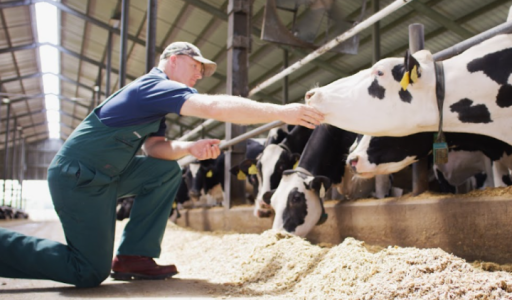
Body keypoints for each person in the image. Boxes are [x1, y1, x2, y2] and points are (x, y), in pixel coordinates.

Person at [0, 41, 323, 287]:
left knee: (165, 171)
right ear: (173, 60)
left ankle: (133, 256)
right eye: (196, 66)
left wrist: (190, 148)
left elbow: (156, 149)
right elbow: (211, 105)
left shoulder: (155, 106)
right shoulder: (151, 86)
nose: (200, 74)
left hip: (107, 176)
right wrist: (280, 111)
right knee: (88, 272)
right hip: (78, 178)